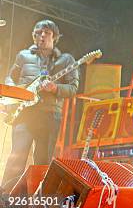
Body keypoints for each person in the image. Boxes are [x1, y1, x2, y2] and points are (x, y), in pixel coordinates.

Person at [1, 20, 79, 191]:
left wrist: (55, 88)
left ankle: (38, 202)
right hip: (24, 114)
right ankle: (5, 200)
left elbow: (73, 88)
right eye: (37, 33)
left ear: (55, 36)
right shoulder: (23, 56)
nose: (41, 35)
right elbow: (10, 78)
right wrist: (12, 95)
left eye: (46, 32)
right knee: (17, 157)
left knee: (42, 161)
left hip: (49, 115)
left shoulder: (66, 60)